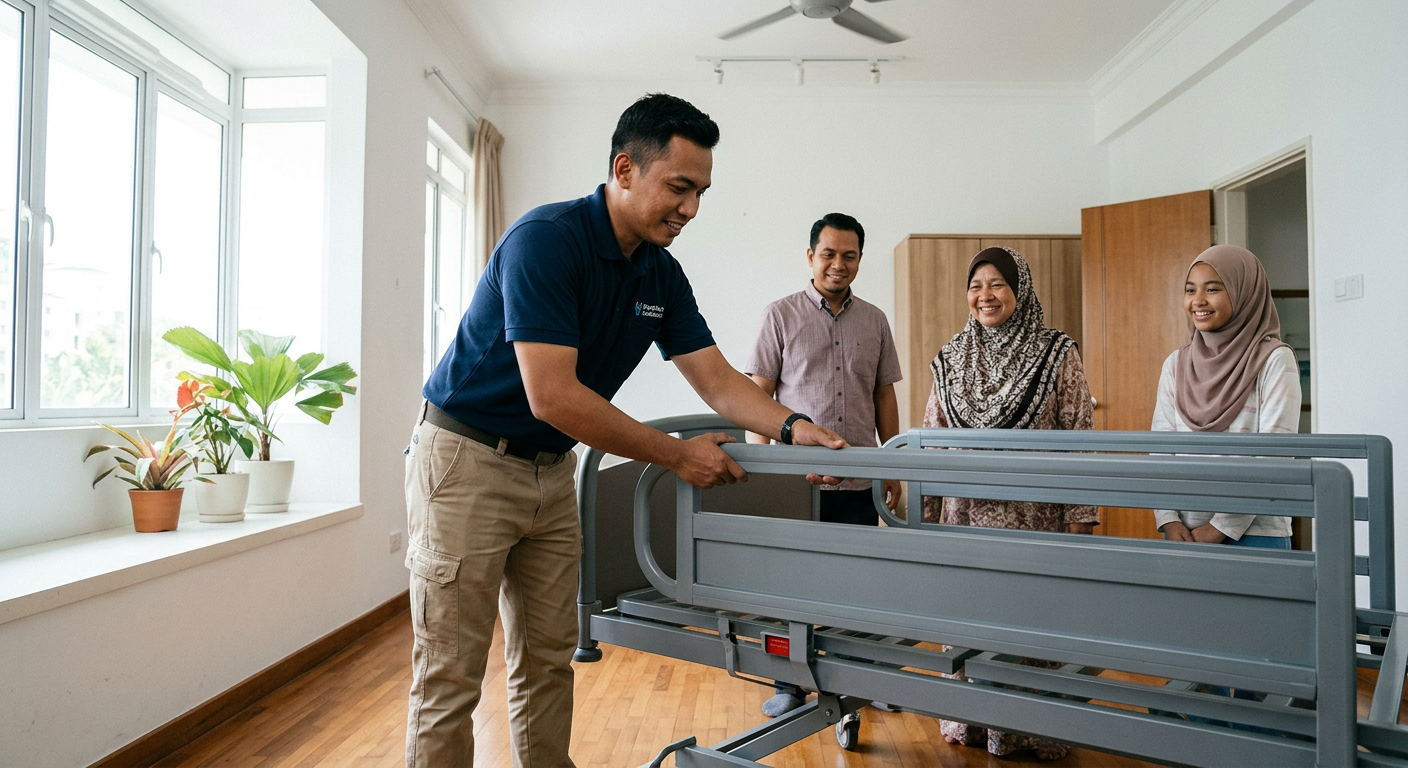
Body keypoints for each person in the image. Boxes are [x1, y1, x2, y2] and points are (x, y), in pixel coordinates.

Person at [404, 93, 847, 768]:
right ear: (625, 169)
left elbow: (720, 382)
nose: (691, 208)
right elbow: (552, 394)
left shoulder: (660, 274)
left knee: (549, 659)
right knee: (450, 678)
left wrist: (794, 427)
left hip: (549, 472)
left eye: (699, 192)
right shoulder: (546, 241)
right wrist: (675, 456)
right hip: (467, 461)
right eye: (679, 187)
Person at [922, 246, 1095, 761]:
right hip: (964, 521)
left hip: (1034, 523)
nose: (985, 295)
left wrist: (1081, 519)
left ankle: (1032, 727)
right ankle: (974, 721)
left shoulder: (1057, 352)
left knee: (1031, 623)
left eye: (997, 284)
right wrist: (925, 517)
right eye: (976, 286)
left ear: (1020, 289)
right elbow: (930, 439)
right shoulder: (951, 358)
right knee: (971, 618)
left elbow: (1081, 435)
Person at [744, 212, 903, 717]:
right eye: (829, 253)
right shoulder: (780, 315)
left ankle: (860, 678)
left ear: (859, 259)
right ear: (810, 256)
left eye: (849, 255)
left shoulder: (875, 320)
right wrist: (767, 471)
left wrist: (892, 463)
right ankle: (788, 684)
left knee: (859, 585)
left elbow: (883, 396)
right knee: (790, 585)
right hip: (797, 485)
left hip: (857, 480)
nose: (839, 264)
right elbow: (757, 397)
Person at [1153, 244, 1299, 547]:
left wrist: (1221, 526)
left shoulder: (1274, 359)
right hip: (1184, 533)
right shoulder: (1176, 364)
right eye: (1190, 290)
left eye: (1213, 289)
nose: (1198, 301)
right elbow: (1161, 448)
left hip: (1257, 532)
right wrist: (1167, 518)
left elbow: (1274, 455)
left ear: (1244, 292)